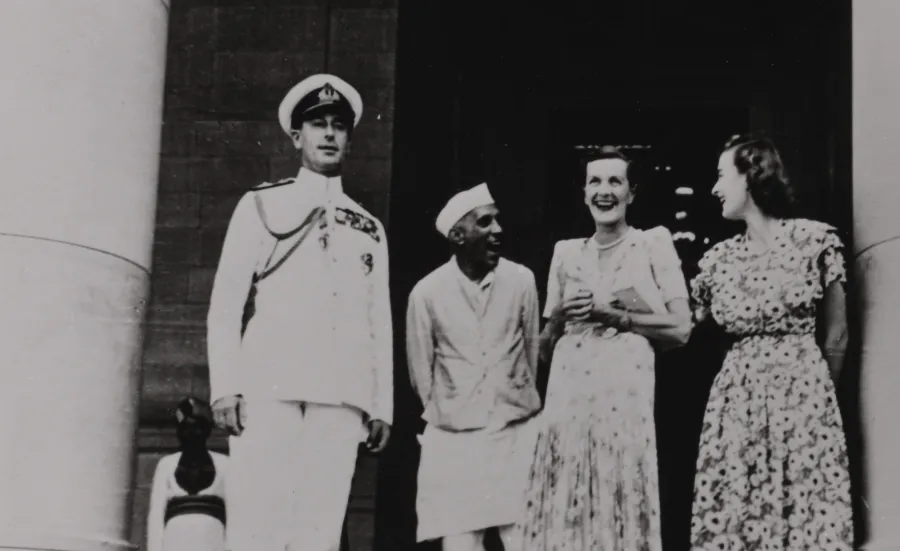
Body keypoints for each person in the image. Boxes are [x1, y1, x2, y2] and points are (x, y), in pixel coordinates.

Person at [206, 73, 393, 551]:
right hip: (270, 385)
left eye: (338, 126)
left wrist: (381, 405)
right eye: (317, 124)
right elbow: (225, 304)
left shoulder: (369, 227)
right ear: (296, 136)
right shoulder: (262, 204)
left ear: (350, 138)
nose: (329, 134)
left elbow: (379, 322)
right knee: (257, 527)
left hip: (341, 392)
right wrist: (225, 386)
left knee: (319, 532)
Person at [520, 147, 693, 551]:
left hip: (623, 405)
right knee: (566, 492)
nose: (604, 190)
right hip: (569, 404)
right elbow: (543, 350)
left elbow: (682, 329)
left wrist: (616, 317)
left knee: (619, 488)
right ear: (583, 193)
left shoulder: (651, 243)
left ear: (632, 192)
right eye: (595, 181)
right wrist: (558, 317)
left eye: (615, 181)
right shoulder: (566, 252)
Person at [689, 134, 853, 550]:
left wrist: (817, 397)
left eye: (722, 175)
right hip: (736, 405)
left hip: (804, 399)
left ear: (751, 175)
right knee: (740, 512)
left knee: (803, 511)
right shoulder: (718, 261)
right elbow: (684, 325)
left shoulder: (815, 241)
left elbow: (836, 333)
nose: (715, 188)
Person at [406, 183, 542, 551]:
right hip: (456, 443)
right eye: (484, 223)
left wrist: (512, 399)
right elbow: (421, 374)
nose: (498, 230)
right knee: (460, 543)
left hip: (515, 433)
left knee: (524, 541)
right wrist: (455, 409)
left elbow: (531, 355)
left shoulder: (522, 281)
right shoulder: (427, 292)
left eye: (497, 221)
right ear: (457, 235)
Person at [147, 397, 228, 551]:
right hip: (175, 542)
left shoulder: (224, 464)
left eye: (196, 427)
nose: (190, 433)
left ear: (207, 430)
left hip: (213, 541)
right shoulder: (166, 465)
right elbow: (156, 517)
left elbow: (234, 516)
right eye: (185, 427)